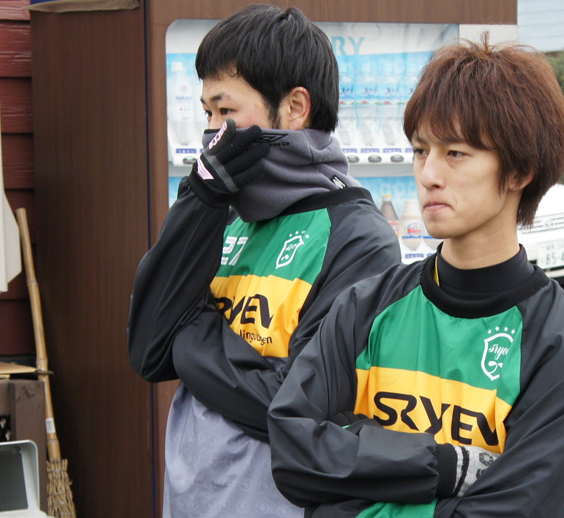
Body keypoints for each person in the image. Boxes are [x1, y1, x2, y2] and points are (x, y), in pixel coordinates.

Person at [267, 36, 564, 518]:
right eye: (421, 150)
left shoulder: (563, 348)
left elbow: (520, 509)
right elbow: (292, 449)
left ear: (520, 171)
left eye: (456, 153)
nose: (428, 174)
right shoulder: (364, 307)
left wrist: (354, 489)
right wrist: (446, 467)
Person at [127, 5, 401, 517]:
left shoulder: (358, 238)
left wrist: (188, 332)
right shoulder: (223, 213)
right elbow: (147, 350)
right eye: (207, 115)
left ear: (295, 108)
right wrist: (200, 199)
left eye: (226, 111)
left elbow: (295, 409)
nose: (214, 133)